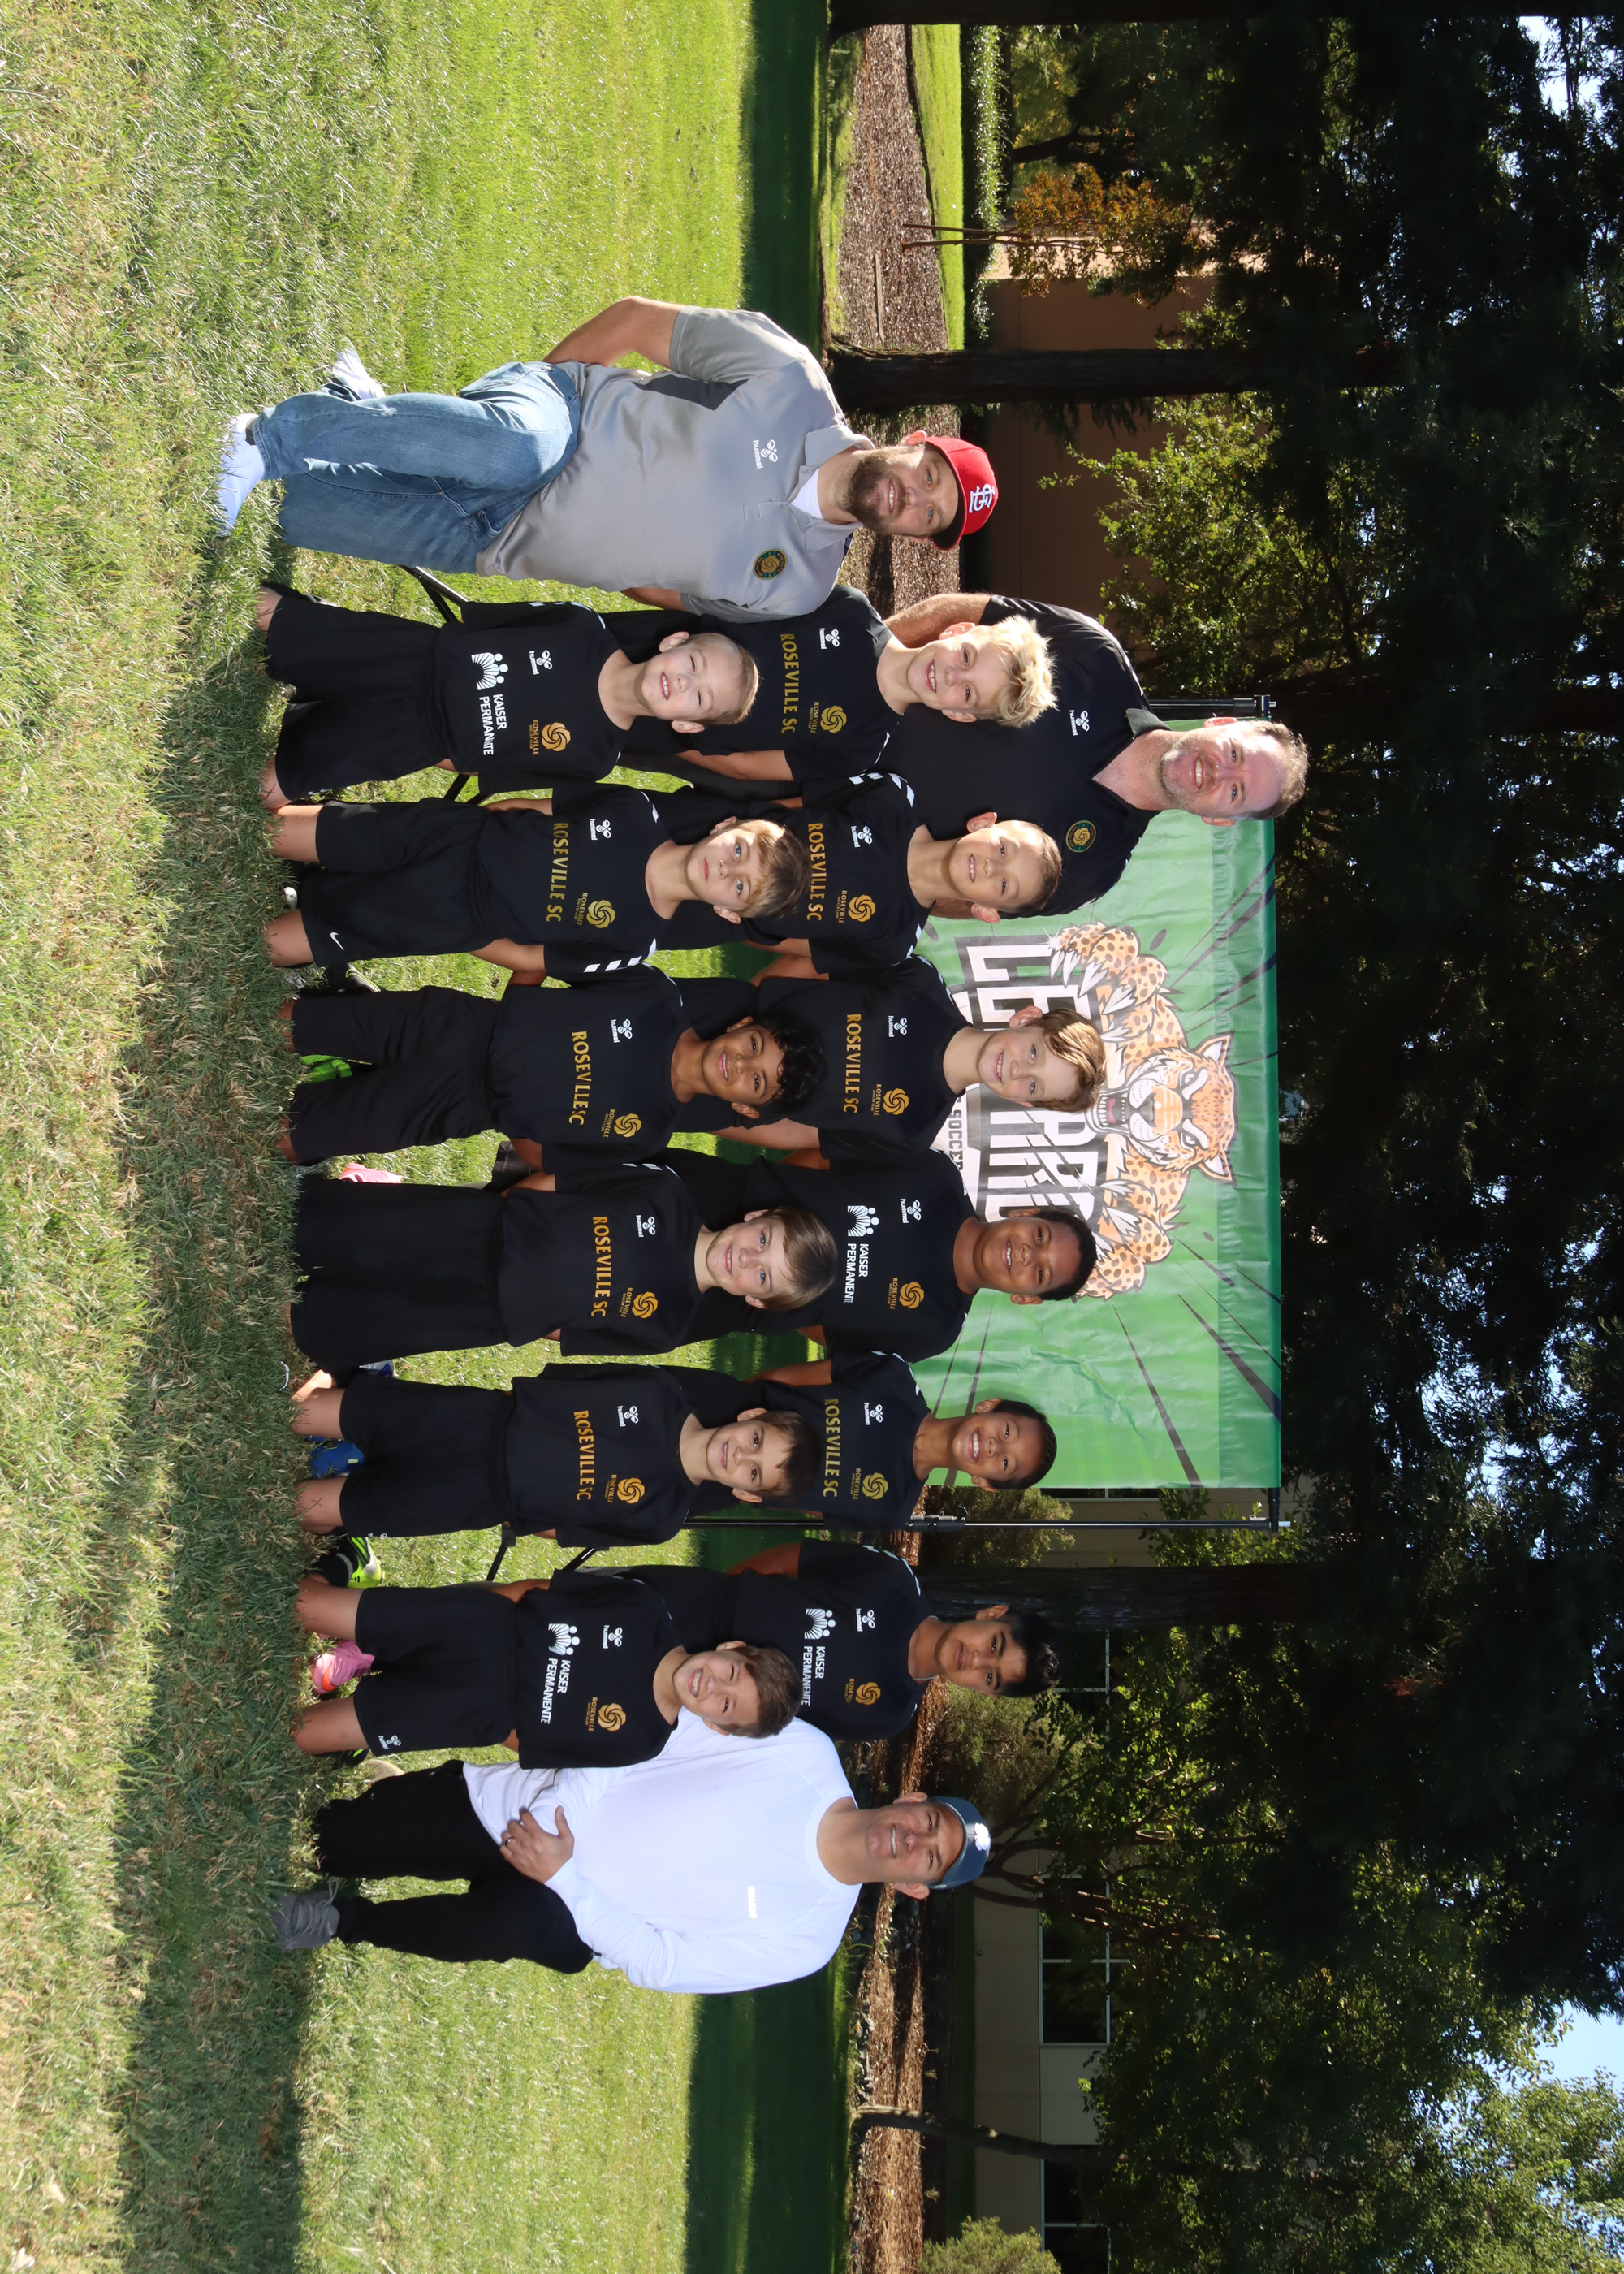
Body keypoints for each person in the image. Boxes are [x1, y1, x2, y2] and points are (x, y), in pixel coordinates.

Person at [218, 310, 999, 618]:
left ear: (912, 537)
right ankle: (263, 439)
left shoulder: (800, 588)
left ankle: (363, 408)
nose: (912, 498)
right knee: (508, 448)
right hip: (559, 422)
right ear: (916, 442)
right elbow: (632, 323)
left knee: (295, 513)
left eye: (929, 515)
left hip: (498, 541)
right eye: (929, 476)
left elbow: (665, 593)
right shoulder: (791, 381)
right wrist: (543, 388)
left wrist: (587, 543)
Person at [267, 1715, 992, 1985]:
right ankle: (390, 1800)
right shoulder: (801, 1751)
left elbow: (664, 1962)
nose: (914, 1841)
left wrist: (564, 1878)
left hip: (571, 1916)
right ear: (911, 1798)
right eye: (929, 1821)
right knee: (328, 1839)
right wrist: (555, 1820)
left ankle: (343, 1921)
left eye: (930, 1858)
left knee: (511, 1924)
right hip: (533, 1809)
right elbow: (654, 1735)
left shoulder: (808, 1941)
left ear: (916, 1887)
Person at [864, 593, 1310, 914]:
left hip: (836, 821)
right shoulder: (1097, 658)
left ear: (1220, 820)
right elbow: (962, 617)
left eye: (1235, 792)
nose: (1219, 773)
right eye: (1235, 753)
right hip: (835, 726)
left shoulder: (1092, 873)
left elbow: (956, 897)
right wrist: (860, 671)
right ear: (1221, 724)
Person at [286, 1355, 1051, 1541]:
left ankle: (357, 1478)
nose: (993, 1447)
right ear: (990, 1408)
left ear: (987, 1484)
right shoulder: (890, 1379)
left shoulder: (891, 1508)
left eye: (1004, 1463)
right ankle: (354, 1425)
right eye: (1006, 1432)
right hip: (714, 1419)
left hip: (707, 1476)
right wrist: (744, 1417)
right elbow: (789, 1380)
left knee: (569, 1492)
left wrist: (744, 1477)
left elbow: (805, 1512)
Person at [286, 1161, 836, 1368]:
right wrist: (508, 1215)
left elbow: (570, 1334)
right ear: (757, 1215)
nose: (747, 1257)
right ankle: (307, 1227)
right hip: (480, 1231)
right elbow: (566, 1181)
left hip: (488, 1313)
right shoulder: (666, 1193)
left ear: (754, 1299)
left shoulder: (668, 1326)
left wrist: (522, 1308)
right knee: (356, 1231)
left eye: (762, 1274)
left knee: (382, 1317)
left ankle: (306, 1316)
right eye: (762, 1239)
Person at [253, 584, 759, 806]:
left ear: (686, 725)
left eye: (699, 699)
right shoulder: (583, 627)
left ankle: (312, 722)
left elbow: (484, 768)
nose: (684, 683)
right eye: (693, 665)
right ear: (674, 641)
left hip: (409, 739)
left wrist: (438, 745)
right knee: (265, 613)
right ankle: (309, 666)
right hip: (407, 657)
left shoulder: (595, 760)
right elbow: (480, 622)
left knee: (271, 790)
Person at [274, 965, 824, 1165]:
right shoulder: (655, 995)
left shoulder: (648, 1132)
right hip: (459, 1025)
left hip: (460, 1106)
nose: (740, 1063)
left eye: (756, 1081)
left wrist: (512, 1107)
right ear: (740, 1025)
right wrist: (515, 1011)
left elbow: (546, 1155)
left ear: (743, 1108)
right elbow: (550, 956)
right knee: (292, 1025)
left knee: (292, 1138)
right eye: (754, 1044)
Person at [262, 788, 810, 976]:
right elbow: (535, 807)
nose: (728, 869)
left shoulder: (634, 942)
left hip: (453, 915)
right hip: (451, 837)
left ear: (728, 913)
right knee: (276, 832)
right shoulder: (634, 810)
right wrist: (478, 824)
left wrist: (464, 930)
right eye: (740, 850)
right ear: (724, 826)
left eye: (740, 888)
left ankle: (316, 908)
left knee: (272, 944)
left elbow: (532, 958)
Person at [288, 1564, 799, 1765]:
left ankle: (365, 1683)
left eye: (725, 1705)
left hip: (475, 1709)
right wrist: (476, 1611)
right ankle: (344, 1592)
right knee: (305, 1604)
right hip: (479, 1627)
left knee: (303, 1735)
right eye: (731, 1673)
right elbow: (535, 1590)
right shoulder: (646, 1609)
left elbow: (532, 1744)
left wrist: (494, 1715)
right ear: (732, 1647)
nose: (713, 1686)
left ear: (717, 1726)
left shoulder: (640, 1742)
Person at [286, 1360, 819, 1544]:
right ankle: (344, 1431)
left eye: (754, 1473)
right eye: (755, 1441)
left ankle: (345, 1481)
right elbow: (564, 1379)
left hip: (475, 1499)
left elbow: (563, 1531)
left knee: (308, 1508)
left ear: (747, 1495)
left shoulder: (662, 1518)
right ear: (750, 1417)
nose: (740, 1458)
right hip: (476, 1421)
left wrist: (518, 1504)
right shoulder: (661, 1391)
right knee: (312, 1412)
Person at [646, 1148, 1096, 1359]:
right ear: (1026, 1212)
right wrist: (770, 1206)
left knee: (609, 1317)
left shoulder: (935, 1330)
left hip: (722, 1303)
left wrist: (783, 1295)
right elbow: (823, 1160)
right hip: (717, 1197)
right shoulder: (936, 1176)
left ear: (1026, 1298)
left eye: (1041, 1274)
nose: (1027, 1255)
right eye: (1040, 1236)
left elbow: (829, 1332)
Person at [667, 962, 1105, 1161]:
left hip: (716, 1098)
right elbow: (816, 967)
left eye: (1033, 1085)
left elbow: (800, 1132)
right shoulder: (920, 986)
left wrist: (720, 1113)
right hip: (713, 1016)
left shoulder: (913, 1132)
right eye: (1034, 1052)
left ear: (1024, 1103)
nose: (1017, 1070)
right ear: (1026, 1019)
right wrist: (747, 1010)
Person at [619, 590, 1055, 786]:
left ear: (960, 714)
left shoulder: (860, 749)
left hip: (643, 729)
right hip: (633, 648)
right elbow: (720, 602)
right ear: (957, 630)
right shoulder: (849, 611)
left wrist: (666, 739)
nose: (952, 677)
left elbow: (745, 766)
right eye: (966, 658)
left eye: (967, 693)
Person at [639, 1541, 1062, 1738]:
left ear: (986, 1694)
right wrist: (722, 1590)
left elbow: (784, 1728)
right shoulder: (895, 1582)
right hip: (689, 1605)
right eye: (994, 1645)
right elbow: (794, 1559)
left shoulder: (888, 1715)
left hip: (687, 1697)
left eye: (990, 1677)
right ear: (992, 1615)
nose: (976, 1660)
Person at [650, 778, 1064, 973]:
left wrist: (744, 924)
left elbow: (796, 945)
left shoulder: (893, 943)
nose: (992, 866)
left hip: (710, 918)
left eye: (1004, 885)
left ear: (986, 911)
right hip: (706, 834)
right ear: (983, 823)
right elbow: (795, 802)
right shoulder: (894, 798)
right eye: (1003, 849)